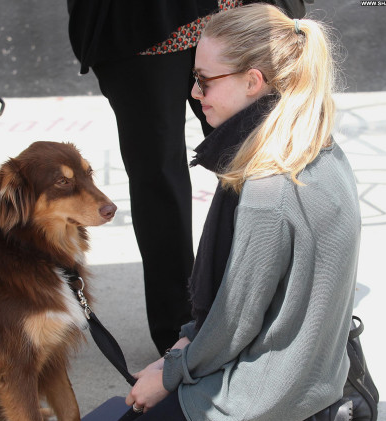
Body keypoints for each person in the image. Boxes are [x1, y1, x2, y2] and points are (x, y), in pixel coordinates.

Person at [91, 3, 361, 421]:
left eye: (204, 81)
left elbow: (235, 323)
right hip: (306, 352)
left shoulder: (265, 187)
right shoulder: (304, 139)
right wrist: (183, 347)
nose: (193, 93)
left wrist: (171, 373)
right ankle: (319, 400)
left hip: (276, 378)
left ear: (253, 81)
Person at [67, 1, 309, 354]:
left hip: (228, 13)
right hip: (140, 24)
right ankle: (179, 336)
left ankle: (276, 305)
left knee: (263, 156)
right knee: (159, 180)